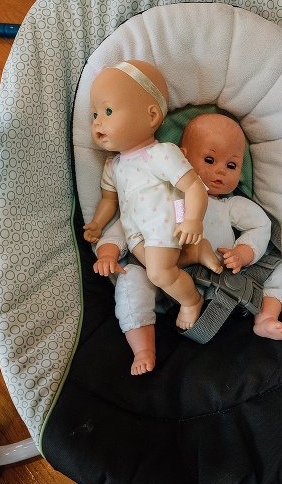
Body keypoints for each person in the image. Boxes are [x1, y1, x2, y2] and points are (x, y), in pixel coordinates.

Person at [95, 113, 282, 375]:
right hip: (167, 281)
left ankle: (266, 317)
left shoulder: (230, 205)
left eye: (232, 165)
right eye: (209, 160)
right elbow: (129, 225)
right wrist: (108, 252)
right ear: (182, 158)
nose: (220, 171)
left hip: (225, 274)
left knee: (275, 268)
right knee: (131, 280)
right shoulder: (163, 196)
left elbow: (260, 226)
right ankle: (143, 347)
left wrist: (243, 253)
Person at [83, 61, 220, 335]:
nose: (97, 121)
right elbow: (110, 201)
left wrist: (193, 220)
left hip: (164, 223)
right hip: (136, 234)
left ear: (152, 116)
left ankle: (191, 301)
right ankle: (195, 252)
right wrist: (98, 223)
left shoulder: (161, 154)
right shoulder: (113, 166)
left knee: (159, 273)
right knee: (155, 267)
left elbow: (194, 187)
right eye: (95, 114)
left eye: (108, 111)